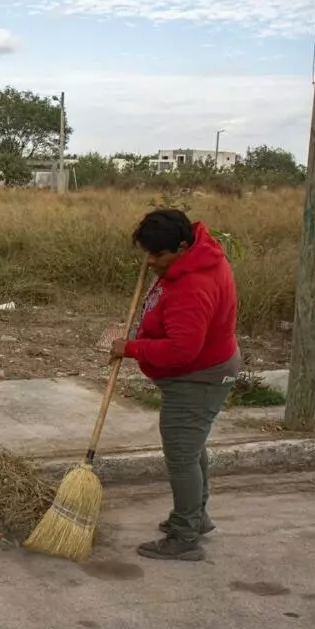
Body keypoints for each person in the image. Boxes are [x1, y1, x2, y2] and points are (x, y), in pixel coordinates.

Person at [110, 209, 241, 562]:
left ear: (182, 246)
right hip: (207, 369)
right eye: (146, 253)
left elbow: (182, 350)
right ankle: (194, 517)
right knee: (192, 448)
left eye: (157, 255)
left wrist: (133, 348)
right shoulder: (195, 258)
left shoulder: (193, 285)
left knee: (181, 456)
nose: (149, 262)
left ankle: (184, 536)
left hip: (198, 377)